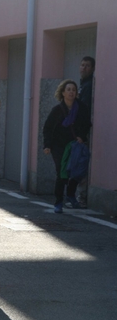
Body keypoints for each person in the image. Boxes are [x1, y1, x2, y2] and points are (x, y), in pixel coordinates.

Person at [43, 79, 91, 213]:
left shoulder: (82, 108)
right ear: (63, 92)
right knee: (61, 171)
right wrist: (47, 145)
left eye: (74, 90)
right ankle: (58, 202)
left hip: (75, 145)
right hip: (58, 146)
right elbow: (47, 128)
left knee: (76, 171)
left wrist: (82, 136)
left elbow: (87, 124)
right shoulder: (57, 110)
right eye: (68, 89)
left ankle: (70, 195)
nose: (71, 92)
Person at [76, 56, 95, 207]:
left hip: (84, 132)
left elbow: (84, 110)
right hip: (81, 131)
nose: (84, 68)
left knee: (81, 163)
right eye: (82, 65)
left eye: (87, 66)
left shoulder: (88, 86)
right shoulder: (83, 85)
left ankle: (82, 197)